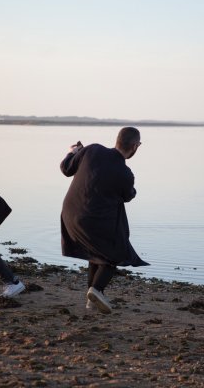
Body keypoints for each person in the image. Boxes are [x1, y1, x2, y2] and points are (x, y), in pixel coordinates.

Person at [60, 127, 149, 314]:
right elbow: (128, 196)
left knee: (97, 253)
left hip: (70, 214)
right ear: (135, 146)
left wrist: (73, 152)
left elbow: (66, 168)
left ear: (116, 140)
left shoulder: (92, 150)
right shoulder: (125, 173)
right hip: (92, 220)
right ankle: (96, 290)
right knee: (117, 252)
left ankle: (91, 301)